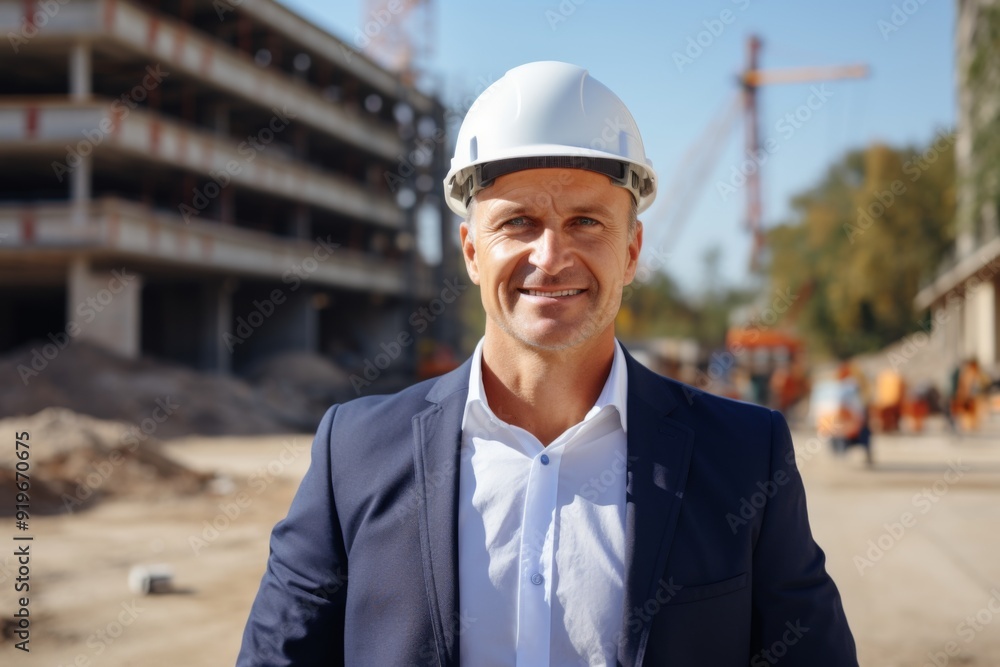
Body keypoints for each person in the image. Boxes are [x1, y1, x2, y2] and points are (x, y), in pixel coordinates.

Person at [237, 61, 857, 666]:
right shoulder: (355, 454)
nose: (552, 255)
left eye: (586, 221)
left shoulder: (746, 457)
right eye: (519, 222)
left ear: (632, 249)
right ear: (472, 251)